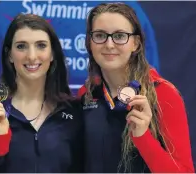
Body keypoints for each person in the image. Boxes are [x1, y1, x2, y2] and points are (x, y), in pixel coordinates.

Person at [0, 14, 83, 173]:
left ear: (52, 54)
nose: (32, 56)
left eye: (41, 45)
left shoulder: (72, 111)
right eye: (21, 46)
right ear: (10, 55)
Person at [78, 2, 195, 173]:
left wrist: (142, 136)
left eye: (119, 36)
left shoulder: (163, 94)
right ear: (89, 42)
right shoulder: (86, 95)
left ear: (136, 43)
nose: (109, 44)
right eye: (100, 35)